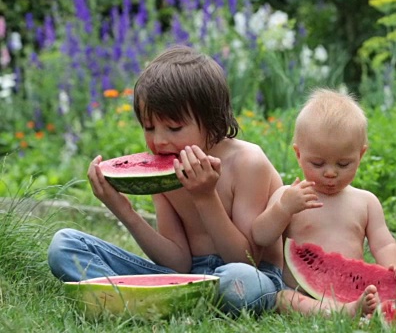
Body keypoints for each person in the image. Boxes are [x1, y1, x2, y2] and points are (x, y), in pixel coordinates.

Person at [47, 45, 285, 316]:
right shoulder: (164, 168)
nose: (159, 141)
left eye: (174, 128)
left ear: (212, 121)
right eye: (149, 128)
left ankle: (147, 303)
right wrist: (124, 211)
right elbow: (178, 263)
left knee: (239, 281)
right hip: (186, 279)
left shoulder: (247, 163)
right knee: (64, 245)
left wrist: (206, 197)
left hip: (249, 274)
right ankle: (156, 302)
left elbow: (247, 259)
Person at [251, 88, 396, 318]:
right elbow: (260, 236)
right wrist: (284, 209)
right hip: (299, 291)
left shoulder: (366, 201)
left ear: (361, 155)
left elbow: (384, 244)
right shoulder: (287, 195)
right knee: (282, 299)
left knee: (377, 298)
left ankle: (357, 307)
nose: (330, 173)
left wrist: (395, 272)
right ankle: (340, 313)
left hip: (353, 290)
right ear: (298, 155)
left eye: (343, 164)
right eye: (318, 163)